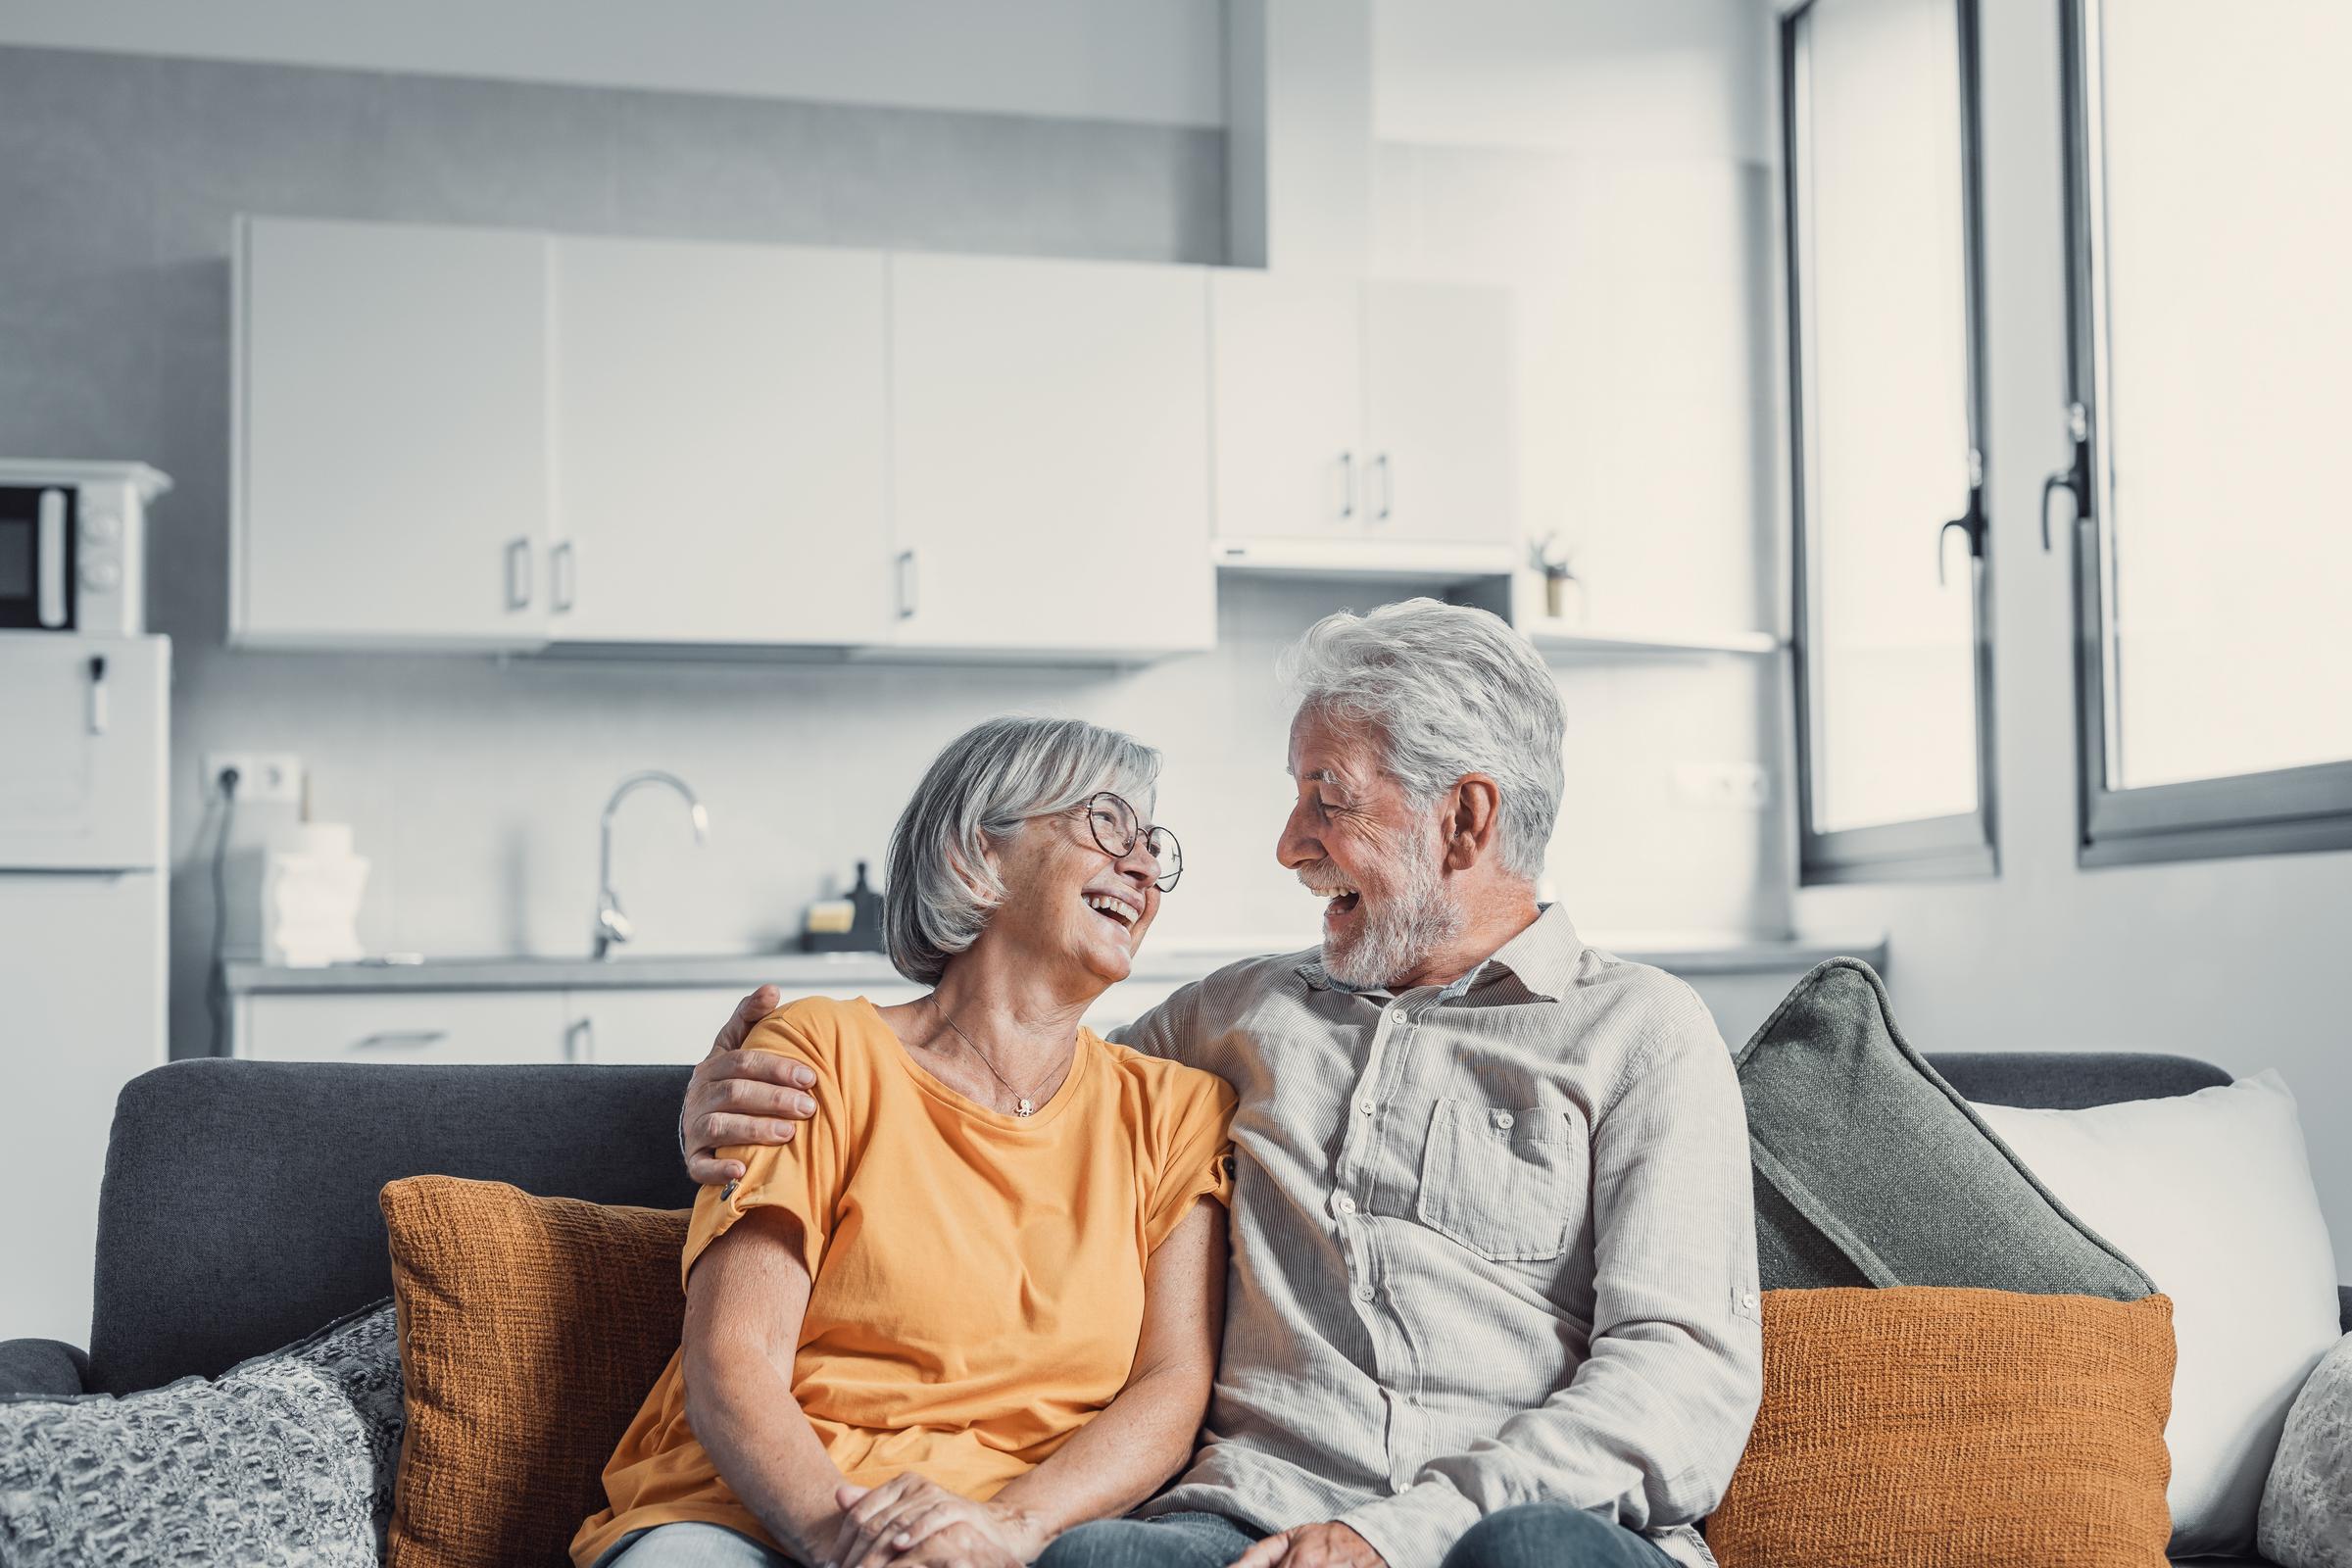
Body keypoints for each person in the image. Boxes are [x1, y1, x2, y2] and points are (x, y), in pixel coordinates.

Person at [686, 599, 1763, 1568]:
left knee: (1527, 1562)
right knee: (1099, 1565)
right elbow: (994, 1062)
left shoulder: (1642, 1034)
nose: (1290, 844)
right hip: (1247, 1525)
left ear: (1465, 820)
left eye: (1325, 799)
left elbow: (1680, 1381)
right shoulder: (1231, 1021)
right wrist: (724, 1086)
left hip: (1517, 1524)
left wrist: (1394, 1540)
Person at [575, 717, 1236, 1568]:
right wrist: (844, 1542)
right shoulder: (820, 1053)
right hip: (754, 1513)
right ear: (976, 854)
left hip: (1006, 1538)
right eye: (1106, 823)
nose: (1142, 864)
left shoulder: (1176, 1109)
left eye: (1153, 844)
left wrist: (1010, 1527)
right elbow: (735, 1356)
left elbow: (1170, 1389)